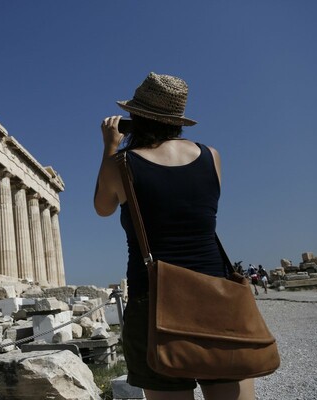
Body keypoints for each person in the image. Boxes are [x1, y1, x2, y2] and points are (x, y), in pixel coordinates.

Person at [94, 72, 255, 400]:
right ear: (177, 121)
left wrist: (111, 145)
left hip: (153, 297)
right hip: (215, 291)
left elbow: (103, 207)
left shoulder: (121, 165)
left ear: (134, 118)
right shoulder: (212, 156)